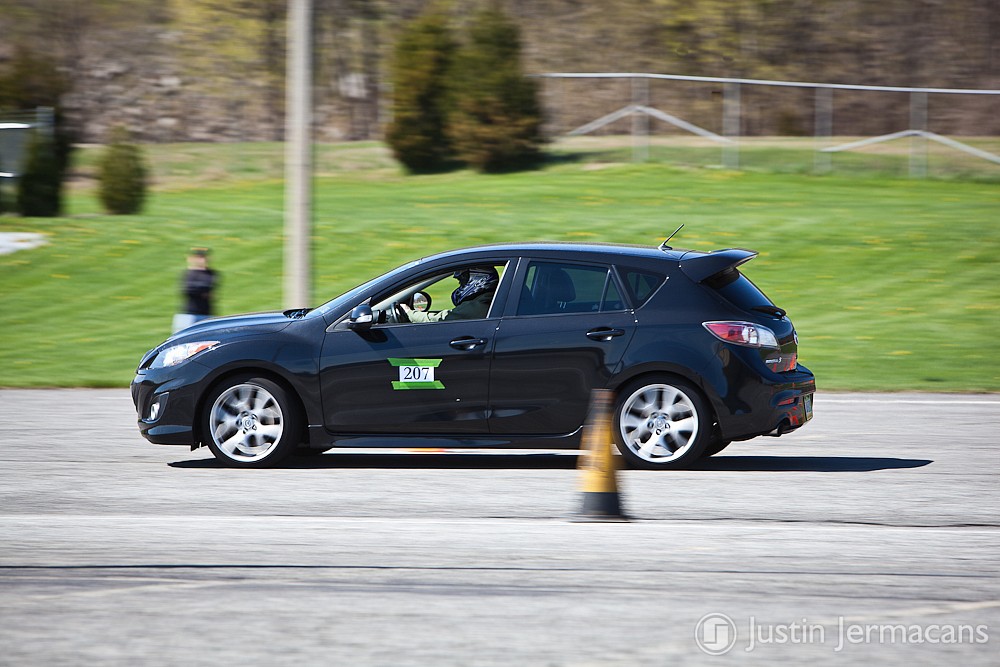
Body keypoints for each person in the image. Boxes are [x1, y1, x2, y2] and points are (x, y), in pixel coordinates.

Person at [401, 266, 498, 322]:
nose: (460, 287)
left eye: (461, 282)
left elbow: (442, 319)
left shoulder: (478, 306)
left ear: (478, 280)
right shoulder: (486, 301)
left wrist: (409, 313)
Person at [172, 247, 218, 333]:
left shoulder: (211, 274)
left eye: (203, 257)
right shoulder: (188, 273)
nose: (202, 260)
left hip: (206, 315)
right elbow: (187, 290)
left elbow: (209, 286)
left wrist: (197, 288)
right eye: (199, 257)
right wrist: (203, 291)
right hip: (188, 314)